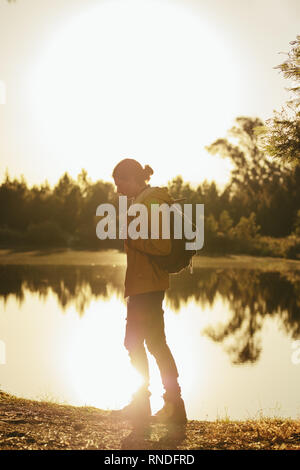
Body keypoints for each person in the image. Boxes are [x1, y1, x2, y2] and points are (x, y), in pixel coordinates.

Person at [112, 158, 187, 427]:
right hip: (144, 285)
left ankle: (164, 403)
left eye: (120, 181)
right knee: (148, 343)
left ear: (133, 179)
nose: (117, 187)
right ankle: (157, 403)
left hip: (148, 287)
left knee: (145, 343)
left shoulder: (151, 202)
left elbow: (163, 247)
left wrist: (132, 236)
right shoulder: (142, 201)